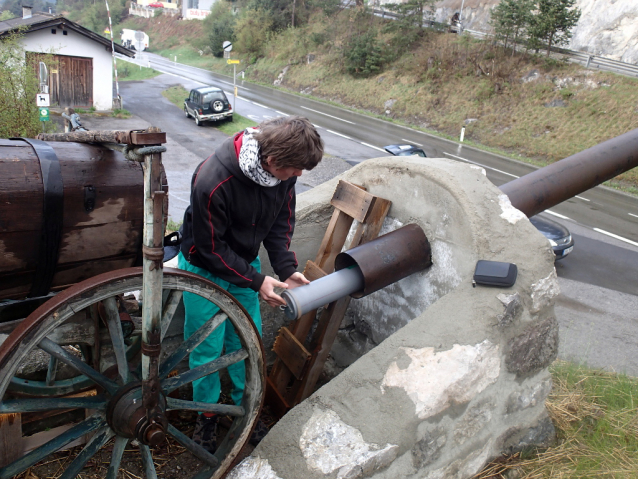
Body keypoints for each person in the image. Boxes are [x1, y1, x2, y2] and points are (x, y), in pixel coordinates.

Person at [177, 116, 323, 453]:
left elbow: (281, 222)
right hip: (203, 268)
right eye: (295, 170)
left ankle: (249, 410)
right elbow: (210, 248)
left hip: (244, 265)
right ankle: (208, 414)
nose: (298, 177)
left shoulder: (282, 177)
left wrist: (286, 268)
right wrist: (256, 280)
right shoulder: (212, 180)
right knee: (206, 347)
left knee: (247, 341)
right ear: (272, 161)